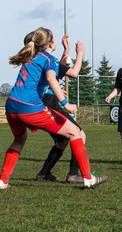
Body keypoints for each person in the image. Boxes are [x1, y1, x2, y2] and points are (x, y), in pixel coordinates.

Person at [0, 27, 105, 190]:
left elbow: (47, 77)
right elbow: (51, 78)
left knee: (19, 140)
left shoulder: (30, 56)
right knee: (75, 132)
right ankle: (88, 178)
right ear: (50, 43)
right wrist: (65, 103)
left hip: (11, 105)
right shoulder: (48, 59)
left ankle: (3, 181)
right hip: (30, 107)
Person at [35, 34, 88, 184]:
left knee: (63, 141)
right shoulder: (49, 61)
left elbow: (59, 66)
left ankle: (43, 173)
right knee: (80, 134)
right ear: (50, 44)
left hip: (45, 101)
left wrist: (67, 49)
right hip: (50, 102)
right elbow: (72, 73)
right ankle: (73, 174)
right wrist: (80, 54)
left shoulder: (41, 59)